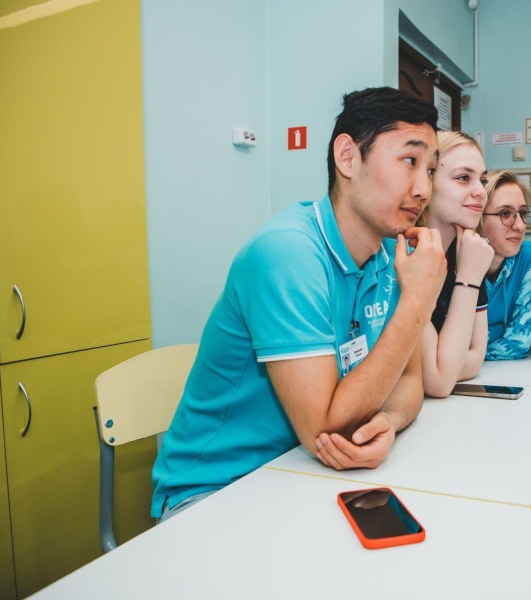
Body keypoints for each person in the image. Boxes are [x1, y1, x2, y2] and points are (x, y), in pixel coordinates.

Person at [151, 87, 447, 520]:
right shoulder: (286, 253)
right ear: (347, 157)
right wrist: (418, 301)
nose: (423, 189)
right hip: (216, 490)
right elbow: (326, 427)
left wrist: (389, 420)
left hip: (303, 475)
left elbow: (411, 380)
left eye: (431, 169)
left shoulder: (390, 254)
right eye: (409, 161)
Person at [416, 131, 494, 397]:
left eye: (482, 180)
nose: (481, 191)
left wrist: (446, 363)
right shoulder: (405, 255)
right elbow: (438, 381)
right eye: (463, 178)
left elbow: (476, 355)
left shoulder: (468, 252)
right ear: (427, 182)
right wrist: (468, 279)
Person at [478, 170, 531, 360]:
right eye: (505, 214)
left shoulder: (528, 258)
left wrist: (472, 351)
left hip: (504, 371)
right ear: (477, 218)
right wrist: (499, 330)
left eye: (522, 213)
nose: (520, 226)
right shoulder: (452, 263)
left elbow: (519, 342)